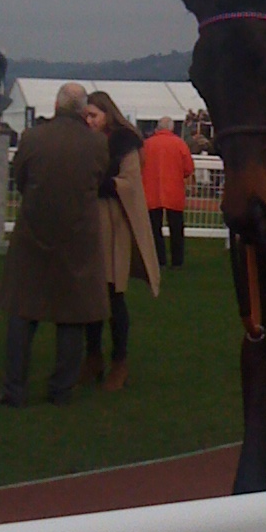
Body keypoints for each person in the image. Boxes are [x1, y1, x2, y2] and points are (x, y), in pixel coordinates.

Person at [0, 83, 109, 407]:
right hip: (78, 235)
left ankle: (14, 389)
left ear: (57, 105)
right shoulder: (97, 143)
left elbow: (20, 178)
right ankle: (61, 389)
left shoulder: (32, 138)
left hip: (33, 232)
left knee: (22, 311)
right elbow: (98, 180)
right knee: (72, 314)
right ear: (82, 109)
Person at [80, 90, 160, 390]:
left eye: (94, 115)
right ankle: (93, 357)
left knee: (114, 294)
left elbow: (130, 183)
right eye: (86, 116)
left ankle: (119, 361)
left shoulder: (124, 143)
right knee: (91, 294)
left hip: (114, 224)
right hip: (91, 222)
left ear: (107, 114)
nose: (89, 121)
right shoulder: (85, 142)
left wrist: (98, 183)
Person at [140, 116, 195, 270]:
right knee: (176, 228)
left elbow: (140, 165)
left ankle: (160, 260)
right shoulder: (179, 144)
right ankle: (177, 261)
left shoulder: (147, 144)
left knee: (154, 228)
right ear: (171, 128)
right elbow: (188, 169)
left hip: (151, 191)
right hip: (174, 191)